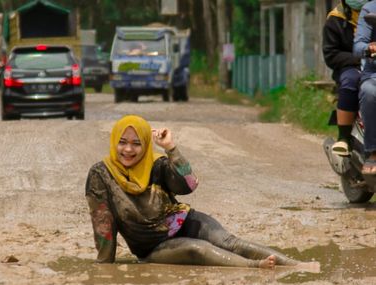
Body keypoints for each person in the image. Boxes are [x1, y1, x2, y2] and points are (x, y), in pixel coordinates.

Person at [85, 115, 320, 270]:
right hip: (153, 248)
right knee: (199, 249)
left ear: (145, 145)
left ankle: (295, 264)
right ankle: (255, 267)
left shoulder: (157, 164)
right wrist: (105, 265)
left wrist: (171, 149)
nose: (128, 149)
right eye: (123, 142)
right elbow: (103, 225)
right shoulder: (101, 174)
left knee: (230, 242)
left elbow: (188, 185)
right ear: (114, 142)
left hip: (183, 220)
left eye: (136, 143)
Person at [323, 0, 366, 156]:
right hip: (351, 68)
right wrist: (361, 59)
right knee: (350, 81)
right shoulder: (335, 19)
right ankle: (344, 137)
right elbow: (331, 55)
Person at [354, 0, 376, 174]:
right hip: (374, 72)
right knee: (370, 92)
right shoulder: (370, 8)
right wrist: (369, 47)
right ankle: (373, 151)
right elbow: (358, 45)